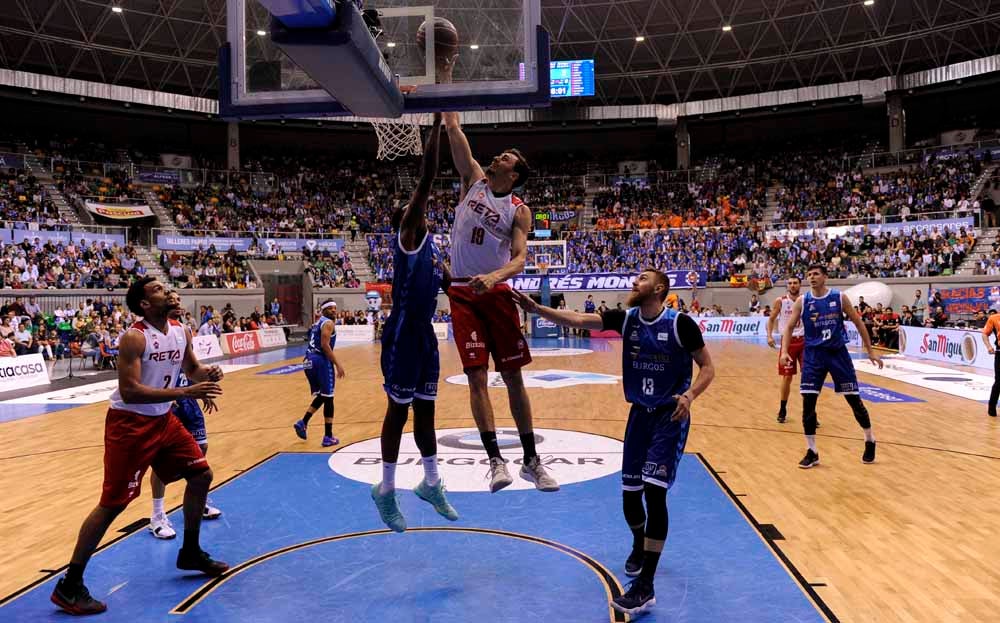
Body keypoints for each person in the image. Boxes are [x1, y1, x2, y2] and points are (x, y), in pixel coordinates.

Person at [510, 269, 715, 616]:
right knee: (630, 495)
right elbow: (578, 317)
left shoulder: (681, 325)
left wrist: (690, 395)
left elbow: (708, 367)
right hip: (638, 416)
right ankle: (639, 543)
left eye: (643, 278)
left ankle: (646, 586)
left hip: (669, 416)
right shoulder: (627, 319)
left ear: (659, 288)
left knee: (655, 492)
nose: (635, 282)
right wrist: (537, 309)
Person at [50, 277, 226, 616]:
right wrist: (183, 393)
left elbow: (191, 369)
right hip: (129, 425)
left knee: (201, 475)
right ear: (145, 304)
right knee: (112, 504)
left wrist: (207, 375)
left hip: (163, 420)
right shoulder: (134, 337)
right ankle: (69, 585)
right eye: (158, 290)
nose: (167, 291)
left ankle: (190, 551)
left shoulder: (180, 330)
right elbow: (130, 391)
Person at [441, 111, 557, 493]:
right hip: (461, 291)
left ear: (515, 174)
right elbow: (455, 131)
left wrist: (493, 277)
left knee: (512, 376)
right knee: (476, 376)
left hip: (496, 292)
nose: (500, 156)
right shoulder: (473, 179)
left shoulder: (519, 210)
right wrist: (445, 95)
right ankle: (495, 460)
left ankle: (531, 460)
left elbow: (521, 258)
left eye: (507, 157)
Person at [371, 114, 458, 532]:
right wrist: (438, 123)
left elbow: (448, 286)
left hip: (424, 335)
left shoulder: (430, 249)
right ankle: (386, 490)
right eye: (410, 206)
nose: (417, 204)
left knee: (427, 413)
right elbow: (427, 177)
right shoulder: (409, 234)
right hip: (404, 335)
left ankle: (432, 481)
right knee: (398, 414)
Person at [780, 264, 883, 469]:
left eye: (816, 274)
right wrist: (784, 352)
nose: (812, 277)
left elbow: (858, 322)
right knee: (808, 402)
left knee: (853, 400)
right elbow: (790, 326)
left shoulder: (839, 297)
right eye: (809, 274)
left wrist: (870, 350)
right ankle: (812, 451)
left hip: (838, 354)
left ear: (825, 277)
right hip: (813, 355)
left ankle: (869, 439)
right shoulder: (803, 300)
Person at [148, 290, 223, 540]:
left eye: (180, 299)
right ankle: (157, 514)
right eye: (173, 299)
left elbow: (190, 367)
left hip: (188, 398)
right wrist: (172, 396)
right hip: (165, 405)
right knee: (162, 464)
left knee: (201, 450)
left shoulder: (183, 331)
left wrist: (204, 389)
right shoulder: (146, 335)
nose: (178, 303)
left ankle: (196, 502)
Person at [293, 299, 346, 447]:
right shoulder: (328, 323)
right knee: (329, 398)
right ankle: (328, 436)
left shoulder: (317, 323)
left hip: (308, 360)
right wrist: (337, 364)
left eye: (335, 308)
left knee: (323, 395)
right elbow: (324, 345)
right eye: (330, 308)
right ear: (324, 310)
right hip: (320, 360)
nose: (334, 311)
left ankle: (303, 422)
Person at [767, 276, 804, 423]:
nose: (792, 285)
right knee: (787, 377)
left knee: (808, 376)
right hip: (787, 342)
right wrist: (769, 336)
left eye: (795, 283)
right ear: (787, 286)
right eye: (790, 283)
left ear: (800, 285)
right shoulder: (780, 301)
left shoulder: (806, 299)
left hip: (805, 341)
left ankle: (810, 411)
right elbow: (771, 319)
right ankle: (783, 408)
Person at [982, 309, 1000, 417]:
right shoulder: (994, 318)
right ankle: (991, 407)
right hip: (999, 353)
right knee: (999, 381)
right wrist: (989, 347)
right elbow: (984, 334)